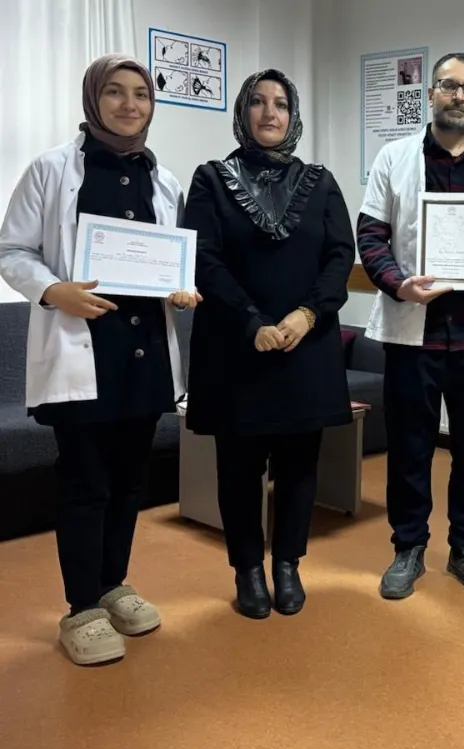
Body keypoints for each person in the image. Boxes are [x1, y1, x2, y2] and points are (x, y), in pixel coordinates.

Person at [0, 55, 196, 666]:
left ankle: (114, 584)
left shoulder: (165, 181)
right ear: (93, 99)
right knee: (85, 485)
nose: (129, 104)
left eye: (141, 94)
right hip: (82, 352)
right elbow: (11, 249)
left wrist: (182, 288)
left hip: (145, 355)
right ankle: (82, 606)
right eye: (114, 92)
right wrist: (53, 290)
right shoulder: (53, 169)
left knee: (130, 482)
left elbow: (174, 260)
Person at [183, 69, 355, 620]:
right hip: (236, 347)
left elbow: (339, 256)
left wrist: (307, 314)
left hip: (307, 344)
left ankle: (287, 565)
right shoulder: (212, 180)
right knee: (238, 467)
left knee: (300, 464)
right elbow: (203, 258)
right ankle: (248, 570)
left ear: (292, 115)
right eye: (257, 102)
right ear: (243, 112)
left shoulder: (321, 182)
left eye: (280, 104)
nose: (269, 113)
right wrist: (251, 321)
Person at [358, 52, 464, 600]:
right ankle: (408, 546)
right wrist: (397, 284)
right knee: (410, 448)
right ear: (431, 93)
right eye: (449, 85)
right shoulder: (394, 157)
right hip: (414, 332)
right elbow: (370, 236)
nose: (459, 96)